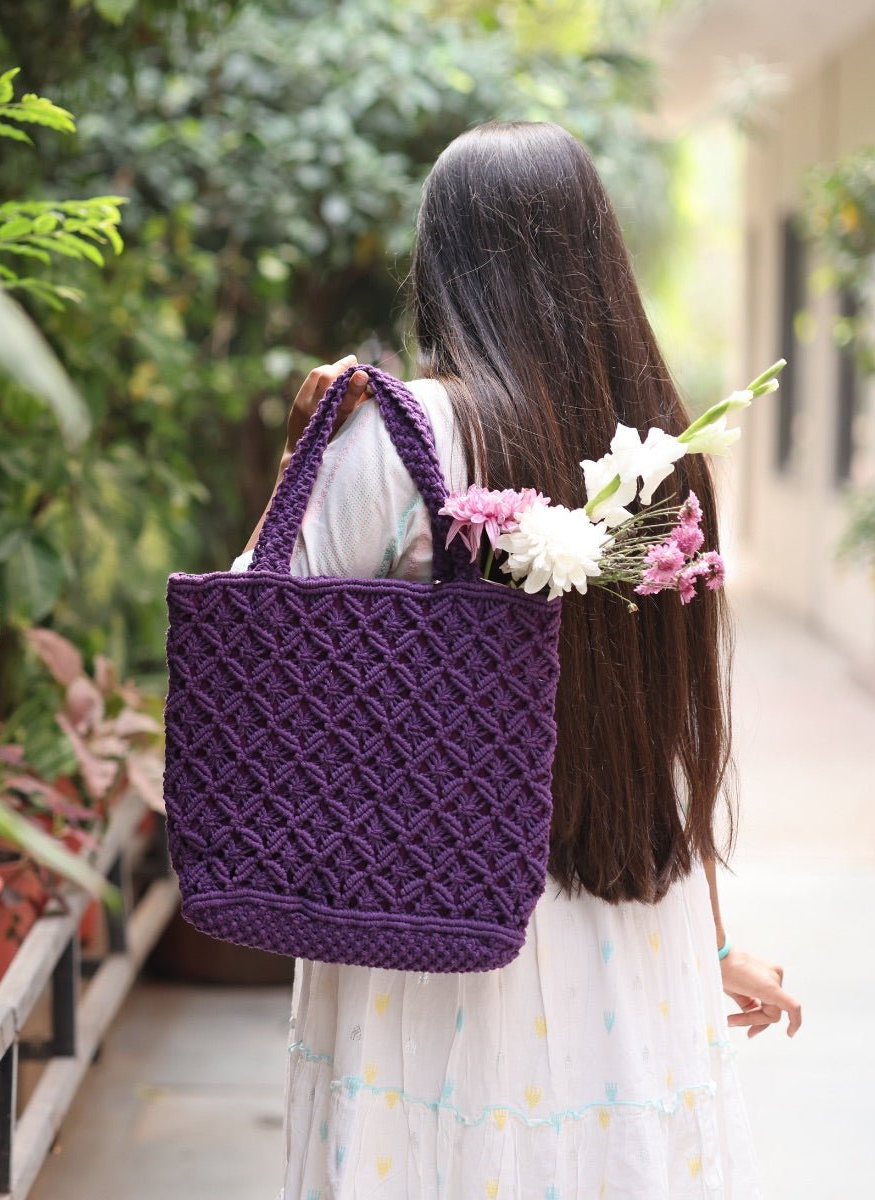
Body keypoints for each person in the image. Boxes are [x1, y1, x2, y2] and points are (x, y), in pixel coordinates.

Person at [228, 122, 801, 1199]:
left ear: (444, 266)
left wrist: (305, 447)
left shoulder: (399, 437)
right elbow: (667, 734)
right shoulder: (664, 453)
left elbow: (257, 633)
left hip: (426, 929)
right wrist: (710, 945)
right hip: (630, 948)